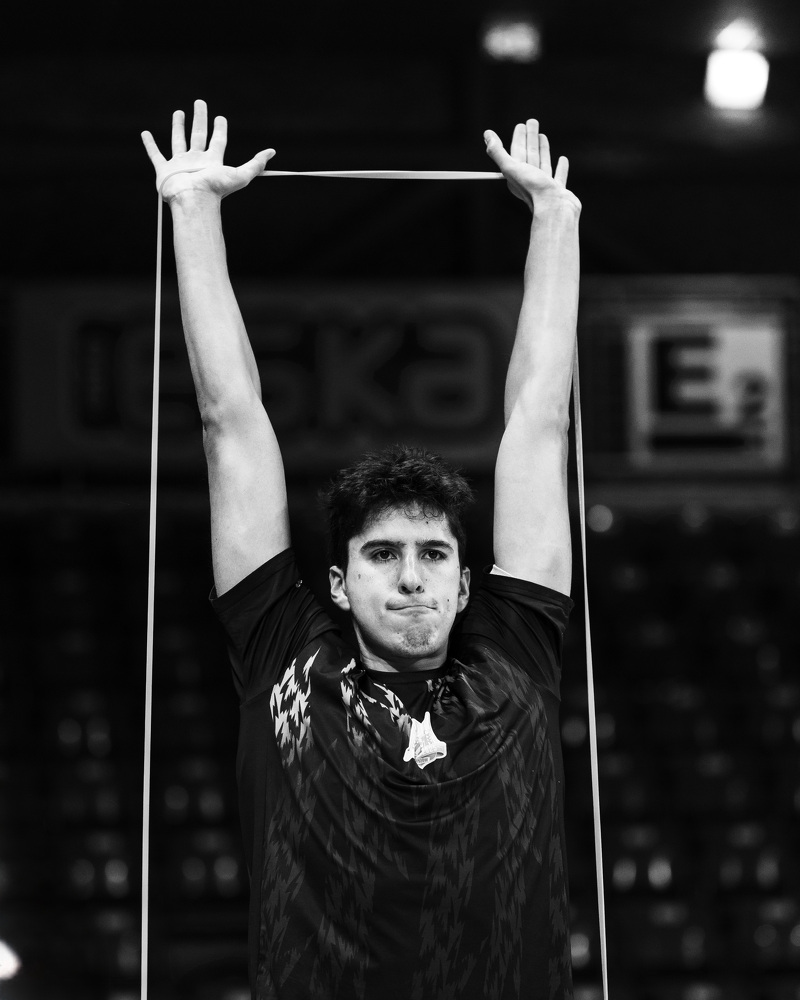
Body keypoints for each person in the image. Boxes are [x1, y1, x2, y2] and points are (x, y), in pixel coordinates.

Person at [142, 99, 581, 1000]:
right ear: (338, 583)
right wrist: (193, 212)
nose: (413, 577)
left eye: (434, 554)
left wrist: (554, 219)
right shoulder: (285, 656)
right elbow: (230, 422)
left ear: (469, 582)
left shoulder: (517, 656)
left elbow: (540, 422)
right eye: (383, 555)